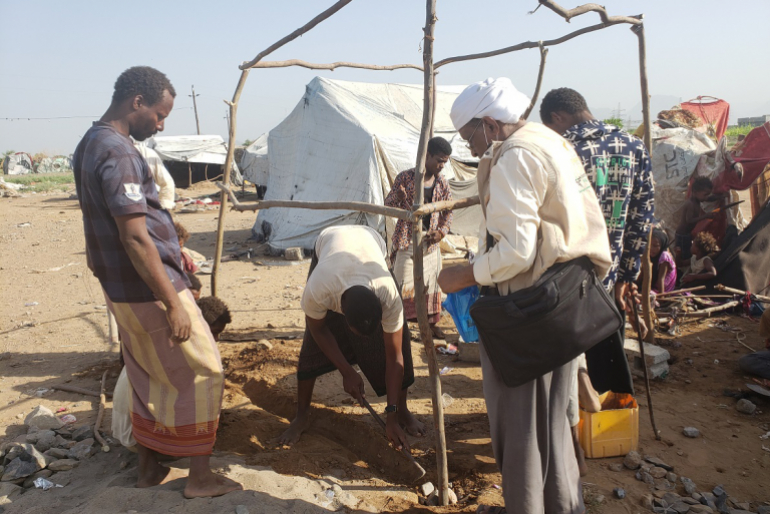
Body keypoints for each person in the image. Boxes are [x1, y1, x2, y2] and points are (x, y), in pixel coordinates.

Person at [438, 77, 612, 514]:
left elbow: (517, 250)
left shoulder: (515, 156)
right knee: (551, 424)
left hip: (531, 311)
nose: (471, 149)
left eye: (469, 137)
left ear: (490, 123)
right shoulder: (546, 140)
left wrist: (466, 273)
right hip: (563, 301)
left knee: (523, 433)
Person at [73, 66, 241, 498]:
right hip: (148, 287)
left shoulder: (90, 142)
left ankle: (149, 470)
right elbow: (133, 234)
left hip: (121, 287)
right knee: (205, 369)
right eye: (160, 115)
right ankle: (199, 478)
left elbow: (99, 224)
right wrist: (171, 301)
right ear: (137, 102)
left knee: (148, 373)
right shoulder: (120, 153)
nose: (162, 124)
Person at [540, 87, 651, 475]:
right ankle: (610, 424)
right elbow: (642, 216)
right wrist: (628, 275)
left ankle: (571, 432)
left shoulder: (561, 150)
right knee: (608, 349)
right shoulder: (634, 146)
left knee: (568, 359)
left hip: (568, 275)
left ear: (555, 117)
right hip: (611, 273)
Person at [276, 225, 426, 449]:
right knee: (310, 349)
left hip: (370, 244)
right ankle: (302, 415)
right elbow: (318, 330)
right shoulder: (319, 288)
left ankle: (402, 411)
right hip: (328, 245)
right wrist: (347, 372)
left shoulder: (388, 293)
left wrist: (391, 415)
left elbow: (395, 359)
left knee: (401, 343)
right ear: (342, 313)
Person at [113, 294, 233, 452]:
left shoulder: (162, 340)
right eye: (214, 332)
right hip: (141, 441)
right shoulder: (184, 355)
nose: (216, 339)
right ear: (201, 327)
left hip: (127, 433)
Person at [384, 136, 453, 339]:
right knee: (402, 282)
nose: (441, 165)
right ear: (427, 155)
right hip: (407, 239)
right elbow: (388, 205)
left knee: (432, 282)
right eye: (439, 160)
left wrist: (441, 232)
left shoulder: (442, 184)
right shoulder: (406, 178)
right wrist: (398, 198)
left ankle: (431, 325)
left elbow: (449, 212)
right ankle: (400, 326)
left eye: (445, 162)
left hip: (430, 241)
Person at [676, 176, 715, 262]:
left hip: (687, 234)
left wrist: (720, 197)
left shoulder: (698, 199)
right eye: (705, 194)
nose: (706, 197)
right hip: (682, 235)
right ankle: (681, 270)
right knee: (684, 255)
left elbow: (708, 199)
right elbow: (689, 220)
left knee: (688, 252)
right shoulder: (690, 204)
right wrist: (705, 216)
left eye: (708, 194)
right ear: (695, 192)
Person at [643, 228, 677, 294]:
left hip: (664, 289)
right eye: (650, 245)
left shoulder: (664, 256)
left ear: (662, 246)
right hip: (656, 285)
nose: (651, 248)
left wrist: (661, 296)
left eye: (655, 246)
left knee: (647, 294)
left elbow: (661, 278)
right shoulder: (649, 252)